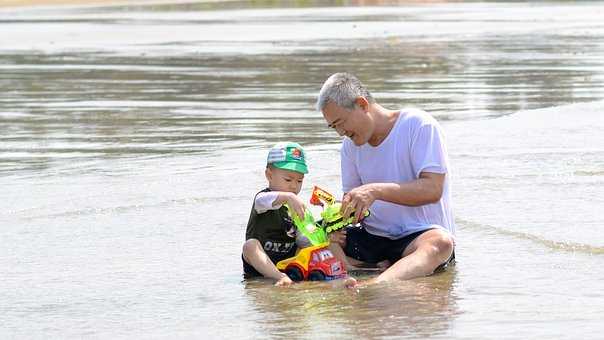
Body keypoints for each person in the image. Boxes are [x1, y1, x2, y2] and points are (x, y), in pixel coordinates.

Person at [316, 72, 456, 285]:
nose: (340, 132)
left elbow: (433, 189)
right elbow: (354, 206)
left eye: (341, 123)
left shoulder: (418, 125)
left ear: (362, 104)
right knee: (308, 233)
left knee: (441, 243)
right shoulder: (349, 147)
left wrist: (375, 190)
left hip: (417, 236)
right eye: (334, 127)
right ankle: (361, 268)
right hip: (373, 237)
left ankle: (375, 284)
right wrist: (335, 225)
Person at [241, 142, 309, 286]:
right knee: (250, 245)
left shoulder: (296, 207)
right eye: (288, 179)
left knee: (309, 246)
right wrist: (288, 197)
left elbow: (302, 240)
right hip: (260, 265)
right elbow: (263, 201)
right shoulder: (263, 199)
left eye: (299, 181)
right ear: (269, 175)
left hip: (287, 263)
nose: (294, 186)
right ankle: (279, 277)